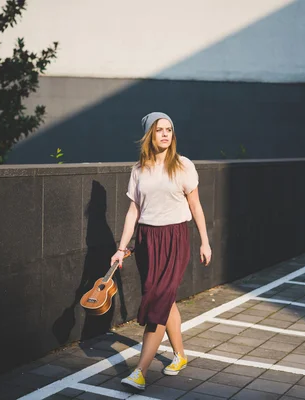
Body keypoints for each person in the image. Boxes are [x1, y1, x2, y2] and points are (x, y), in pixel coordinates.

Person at [111, 111, 212, 391]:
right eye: (159, 130)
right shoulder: (138, 170)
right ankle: (179, 356)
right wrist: (121, 248)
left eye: (169, 129)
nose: (165, 134)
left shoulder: (183, 165)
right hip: (146, 241)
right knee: (163, 298)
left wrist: (205, 241)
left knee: (157, 302)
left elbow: (196, 206)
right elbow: (134, 211)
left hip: (174, 238)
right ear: (149, 136)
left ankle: (140, 372)